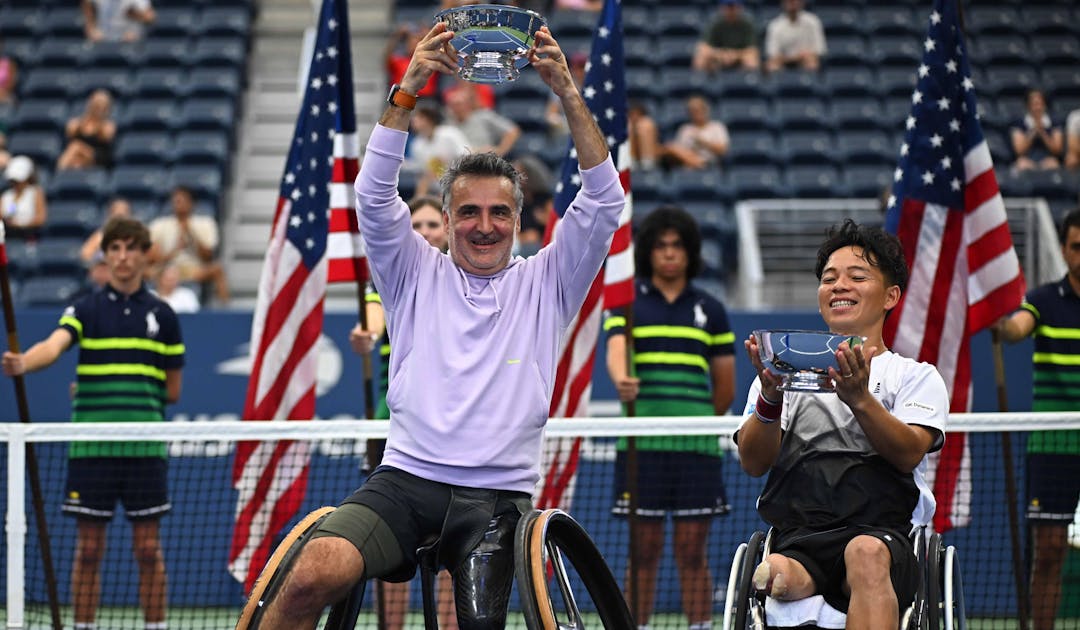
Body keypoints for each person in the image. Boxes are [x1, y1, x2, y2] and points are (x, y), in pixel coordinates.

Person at [251, 20, 623, 629]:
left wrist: (567, 92)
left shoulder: (548, 281)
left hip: (499, 500)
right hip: (403, 480)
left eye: (499, 212)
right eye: (468, 211)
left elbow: (604, 202)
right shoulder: (411, 272)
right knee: (309, 574)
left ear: (520, 220)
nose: (484, 225)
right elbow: (372, 197)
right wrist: (411, 84)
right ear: (446, 219)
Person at [736, 219, 948, 628]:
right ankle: (790, 577)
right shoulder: (782, 375)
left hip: (883, 537)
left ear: (891, 295)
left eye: (857, 276)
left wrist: (859, 398)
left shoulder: (915, 376)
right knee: (776, 572)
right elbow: (753, 462)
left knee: (863, 554)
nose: (839, 286)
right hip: (801, 538)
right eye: (829, 278)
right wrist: (770, 396)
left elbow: (907, 454)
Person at [2, 216, 184, 630]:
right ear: (106, 255)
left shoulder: (164, 315)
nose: (122, 257)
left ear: (144, 255)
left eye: (130, 249)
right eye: (114, 249)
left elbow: (172, 391)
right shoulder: (85, 308)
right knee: (87, 550)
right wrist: (24, 362)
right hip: (91, 450)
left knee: (148, 549)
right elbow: (54, 345)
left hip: (144, 449)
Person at [604, 205, 735, 630]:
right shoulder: (626, 303)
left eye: (677, 246)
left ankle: (699, 626)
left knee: (692, 549)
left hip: (696, 446)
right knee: (642, 551)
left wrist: (693, 422)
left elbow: (726, 388)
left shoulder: (711, 309)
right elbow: (616, 351)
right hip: (642, 445)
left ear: (690, 252)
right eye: (660, 246)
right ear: (648, 252)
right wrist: (622, 379)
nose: (669, 254)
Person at [349, 196, 457, 630]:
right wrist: (367, 335)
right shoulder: (389, 276)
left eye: (434, 223)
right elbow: (374, 317)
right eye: (419, 224)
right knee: (392, 539)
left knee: (456, 540)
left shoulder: (467, 278)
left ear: (447, 229)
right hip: (392, 425)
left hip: (451, 423)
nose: (427, 231)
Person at [993, 208, 1080, 630]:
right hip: (1053, 446)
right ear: (1063, 249)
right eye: (1076, 247)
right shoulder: (1044, 301)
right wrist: (1001, 325)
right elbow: (1015, 329)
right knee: (1048, 554)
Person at [148, 186, 230, 305]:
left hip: (193, 269)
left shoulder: (205, 223)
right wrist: (175, 251)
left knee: (217, 270)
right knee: (139, 271)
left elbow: (207, 256)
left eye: (182, 200)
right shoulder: (160, 225)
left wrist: (190, 234)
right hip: (164, 269)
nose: (178, 204)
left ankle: (225, 308)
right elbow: (152, 257)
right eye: (175, 201)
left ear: (191, 203)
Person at [406, 106, 470, 197]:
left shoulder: (450, 134)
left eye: (419, 117)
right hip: (437, 192)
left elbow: (467, 157)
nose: (413, 120)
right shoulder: (416, 144)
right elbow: (424, 175)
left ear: (429, 119)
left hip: (461, 183)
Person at [445, 84, 520, 157]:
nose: (456, 108)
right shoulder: (447, 123)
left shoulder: (483, 116)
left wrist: (499, 151)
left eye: (458, 104)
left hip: (482, 161)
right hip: (457, 163)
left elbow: (512, 131)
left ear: (467, 104)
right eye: (452, 104)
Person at [662, 94, 730, 170]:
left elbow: (722, 150)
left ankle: (702, 165)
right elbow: (680, 150)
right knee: (669, 148)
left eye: (698, 109)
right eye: (692, 111)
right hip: (687, 164)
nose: (695, 113)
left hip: (710, 163)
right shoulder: (685, 129)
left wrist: (703, 142)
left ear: (705, 110)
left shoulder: (717, 126)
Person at [57, 89, 116, 171]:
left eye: (101, 104)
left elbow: (105, 136)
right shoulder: (79, 123)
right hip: (80, 157)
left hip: (97, 157)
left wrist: (98, 119)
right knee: (76, 161)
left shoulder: (108, 125)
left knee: (76, 147)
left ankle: (59, 172)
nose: (98, 106)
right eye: (96, 103)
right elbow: (70, 130)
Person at [693, 0, 760, 73]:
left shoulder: (747, 24)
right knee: (701, 58)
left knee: (751, 60)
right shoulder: (715, 22)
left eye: (733, 7)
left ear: (740, 8)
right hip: (718, 58)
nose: (731, 10)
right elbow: (703, 47)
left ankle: (748, 82)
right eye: (728, 7)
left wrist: (735, 55)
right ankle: (700, 82)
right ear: (722, 8)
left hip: (739, 58)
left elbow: (752, 50)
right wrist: (721, 55)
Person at [1010, 89, 1065, 172]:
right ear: (1028, 106)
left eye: (1040, 104)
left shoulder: (1054, 123)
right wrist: (1034, 131)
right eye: (1034, 104)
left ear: (1045, 105)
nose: (1037, 108)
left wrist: (1043, 133)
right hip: (1027, 159)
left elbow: (1057, 150)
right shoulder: (1019, 123)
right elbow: (1019, 151)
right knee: (1021, 164)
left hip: (1048, 160)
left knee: (1054, 164)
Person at [764, 0, 826, 73]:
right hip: (783, 63)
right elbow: (773, 55)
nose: (792, 2)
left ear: (802, 2)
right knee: (772, 66)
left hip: (805, 61)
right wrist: (795, 58)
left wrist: (807, 55)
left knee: (812, 63)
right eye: (789, 1)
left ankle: (809, 82)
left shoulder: (813, 21)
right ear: (783, 3)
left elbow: (820, 50)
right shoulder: (775, 25)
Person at [385, 23, 439, 101]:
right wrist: (397, 35)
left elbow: (442, 49)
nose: (414, 45)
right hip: (402, 97)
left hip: (427, 99)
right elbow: (387, 56)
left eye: (417, 41)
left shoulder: (430, 58)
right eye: (410, 42)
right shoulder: (398, 60)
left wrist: (430, 35)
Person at [1, 154, 47, 238]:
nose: (15, 183)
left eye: (18, 180)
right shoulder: (6, 196)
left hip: (29, 237)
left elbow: (40, 218)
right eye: (13, 180)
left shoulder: (35, 193)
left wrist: (20, 224)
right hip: (8, 237)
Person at [82, 0, 156, 43]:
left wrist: (134, 14)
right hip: (103, 39)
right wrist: (91, 30)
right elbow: (87, 4)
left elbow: (150, 17)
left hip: (130, 38)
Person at [628, 100, 661, 171]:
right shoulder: (629, 125)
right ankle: (631, 160)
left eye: (637, 115)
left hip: (651, 158)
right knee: (628, 126)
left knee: (645, 125)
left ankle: (648, 161)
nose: (635, 117)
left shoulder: (647, 124)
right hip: (631, 160)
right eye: (632, 115)